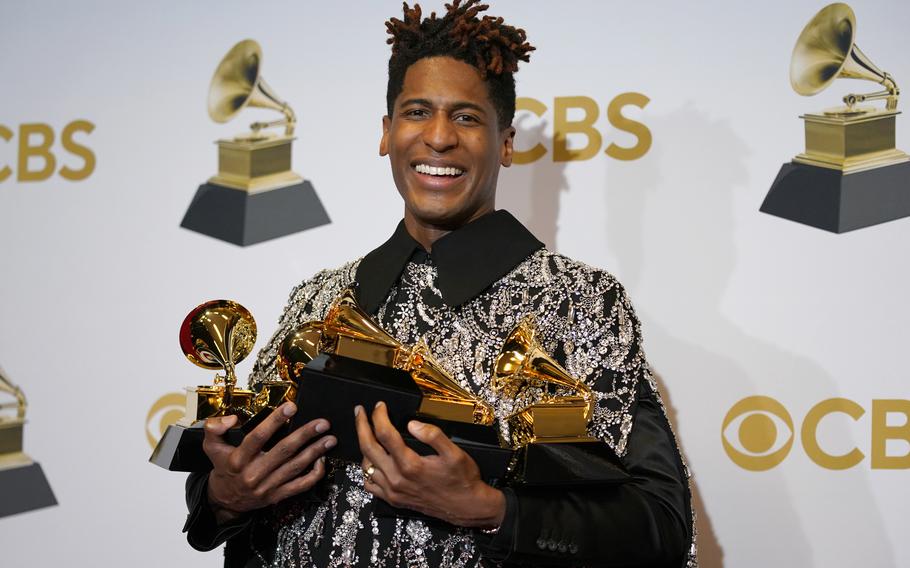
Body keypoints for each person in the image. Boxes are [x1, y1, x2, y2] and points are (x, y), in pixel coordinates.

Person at [184, 2, 696, 566]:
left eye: (467, 118)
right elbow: (229, 481)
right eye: (417, 112)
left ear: (505, 142)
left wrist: (490, 509)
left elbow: (660, 525)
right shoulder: (318, 298)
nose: (438, 137)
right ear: (387, 132)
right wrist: (224, 495)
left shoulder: (581, 301)